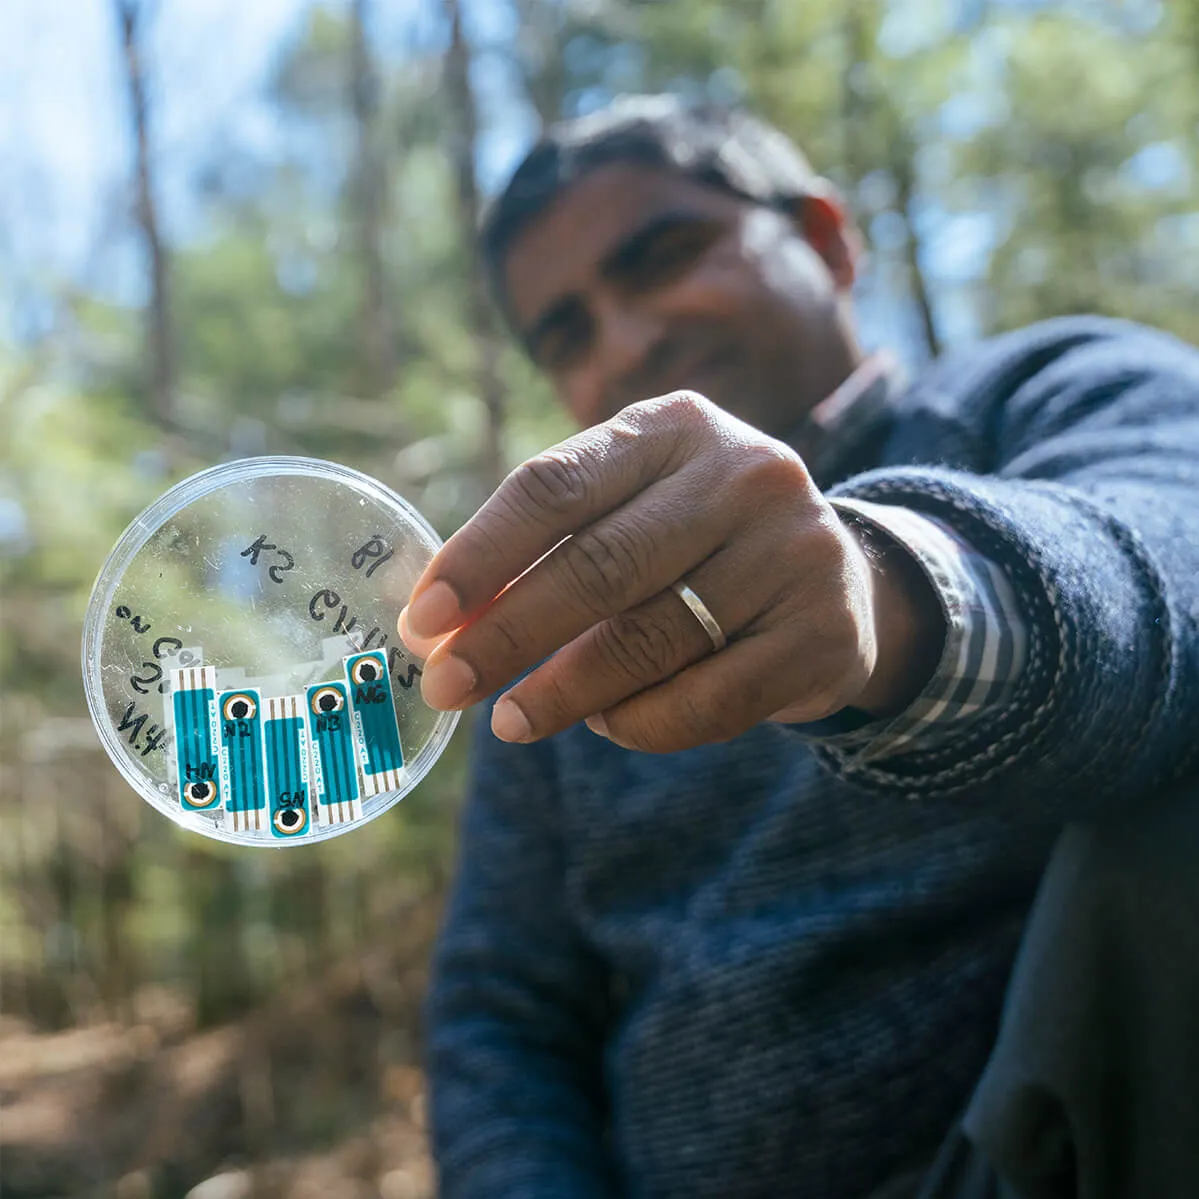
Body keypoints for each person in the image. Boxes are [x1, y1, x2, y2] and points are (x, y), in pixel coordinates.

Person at [395, 95, 1199, 1198]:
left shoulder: (1048, 394)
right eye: (566, 333)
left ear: (823, 239)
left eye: (663, 256)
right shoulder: (542, 648)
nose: (626, 339)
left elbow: (1171, 569)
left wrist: (889, 597)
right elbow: (501, 1018)